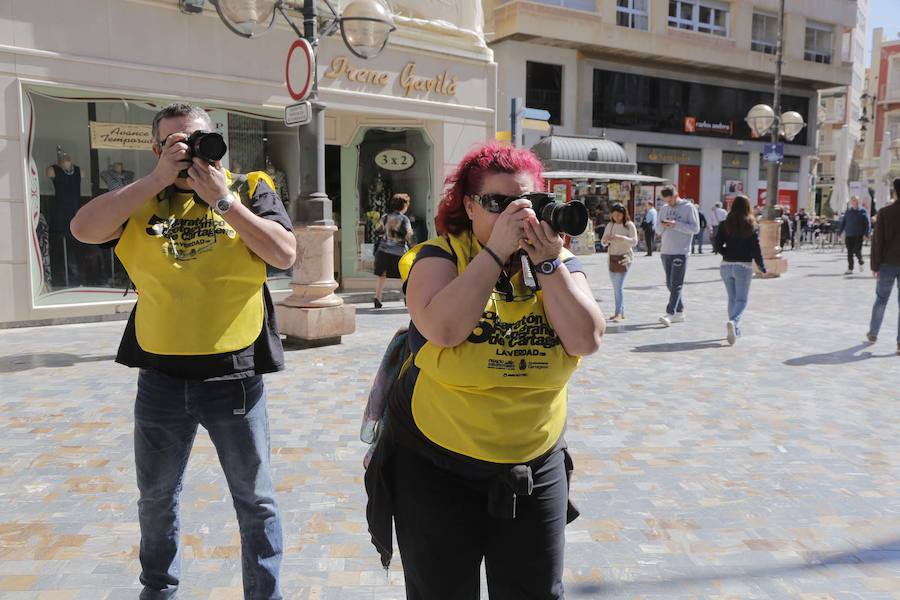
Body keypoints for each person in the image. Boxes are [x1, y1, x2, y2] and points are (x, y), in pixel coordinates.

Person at [70, 103, 296, 599]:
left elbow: (284, 255)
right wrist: (155, 179)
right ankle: (159, 590)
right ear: (156, 150)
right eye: (175, 143)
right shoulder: (141, 196)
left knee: (255, 500)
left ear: (219, 142)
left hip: (234, 375)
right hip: (160, 376)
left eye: (198, 140)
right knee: (155, 497)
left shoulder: (250, 185)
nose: (190, 151)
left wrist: (224, 201)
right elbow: (83, 228)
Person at [365, 142, 605, 600]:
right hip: (437, 465)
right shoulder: (438, 257)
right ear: (470, 207)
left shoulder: (555, 263)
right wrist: (494, 253)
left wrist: (549, 263)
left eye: (529, 203)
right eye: (499, 204)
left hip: (533, 462)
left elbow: (585, 340)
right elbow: (444, 327)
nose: (519, 217)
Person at [713, 194, 767, 345]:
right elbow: (756, 248)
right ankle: (734, 322)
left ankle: (735, 331)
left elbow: (716, 245)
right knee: (741, 300)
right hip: (743, 266)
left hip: (725, 265)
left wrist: (727, 253)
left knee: (732, 298)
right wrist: (762, 266)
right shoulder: (752, 224)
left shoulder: (724, 224)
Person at [655, 185, 700, 326]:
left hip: (681, 251)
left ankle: (670, 313)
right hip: (666, 250)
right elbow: (657, 230)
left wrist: (676, 224)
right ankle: (680, 312)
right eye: (666, 201)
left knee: (676, 284)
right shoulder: (664, 209)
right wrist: (663, 225)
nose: (669, 204)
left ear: (676, 195)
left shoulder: (688, 207)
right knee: (669, 283)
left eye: (671, 201)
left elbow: (695, 228)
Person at [865, 178, 900, 355]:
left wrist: (875, 265)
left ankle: (873, 333)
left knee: (881, 299)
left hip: (887, 263)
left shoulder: (885, 212)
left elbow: (877, 242)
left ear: (894, 193)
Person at [373, 192, 413, 308]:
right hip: (399, 252)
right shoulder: (404, 219)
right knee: (404, 276)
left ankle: (378, 298)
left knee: (382, 275)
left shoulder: (385, 217)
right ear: (404, 206)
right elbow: (409, 235)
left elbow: (377, 230)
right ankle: (407, 298)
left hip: (383, 251)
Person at [601, 203, 638, 321]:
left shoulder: (629, 225)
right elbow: (603, 242)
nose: (617, 217)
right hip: (612, 257)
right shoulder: (610, 225)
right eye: (615, 215)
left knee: (618, 286)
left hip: (625, 257)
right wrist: (606, 240)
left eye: (619, 215)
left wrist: (621, 238)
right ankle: (620, 312)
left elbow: (634, 241)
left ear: (623, 214)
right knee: (616, 286)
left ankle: (618, 312)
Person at [838, 196, 872, 274]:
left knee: (857, 250)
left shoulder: (863, 211)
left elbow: (868, 224)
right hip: (849, 234)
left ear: (858, 202)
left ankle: (861, 261)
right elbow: (843, 222)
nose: (855, 202)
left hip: (859, 235)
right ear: (851, 202)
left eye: (856, 201)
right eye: (853, 201)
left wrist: (866, 234)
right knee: (849, 252)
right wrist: (839, 233)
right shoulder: (848, 211)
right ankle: (850, 268)